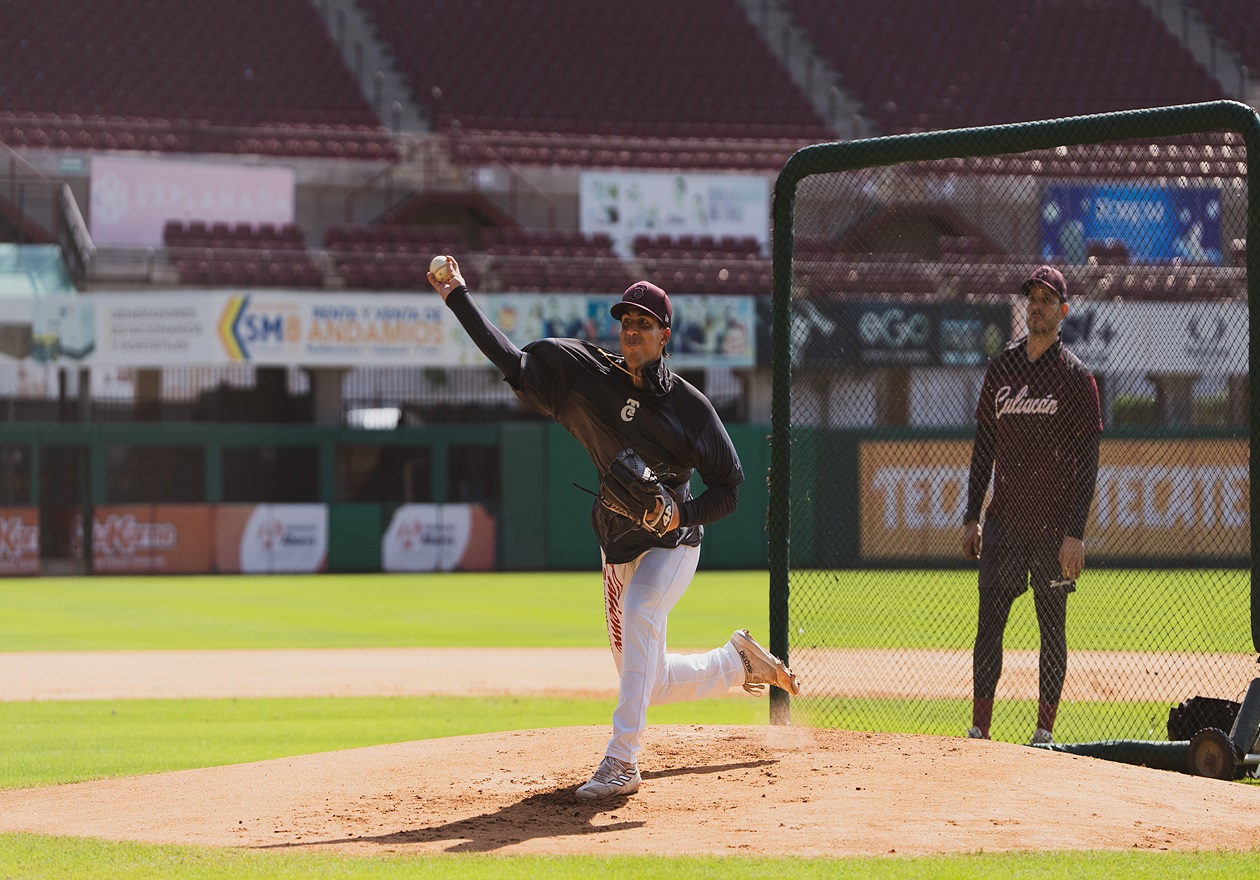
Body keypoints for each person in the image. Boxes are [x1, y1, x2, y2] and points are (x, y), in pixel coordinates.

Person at [427, 257, 800, 800]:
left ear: (664, 335)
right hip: (616, 543)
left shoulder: (690, 409)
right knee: (651, 681)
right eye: (627, 321)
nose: (632, 330)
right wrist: (457, 294)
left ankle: (622, 761)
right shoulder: (585, 379)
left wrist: (683, 514)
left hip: (672, 544)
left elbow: (729, 490)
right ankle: (736, 662)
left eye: (644, 323)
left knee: (642, 610)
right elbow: (511, 360)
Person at [960, 265, 1101, 746]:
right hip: (1003, 523)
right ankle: (980, 726)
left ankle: (1043, 731)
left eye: (1047, 299)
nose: (1037, 305)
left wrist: (1076, 533)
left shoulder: (1077, 378)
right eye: (1032, 297)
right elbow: (983, 450)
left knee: (1052, 627)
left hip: (1054, 531)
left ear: (1063, 312)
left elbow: (1089, 463)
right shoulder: (1002, 367)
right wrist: (970, 516)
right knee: (989, 625)